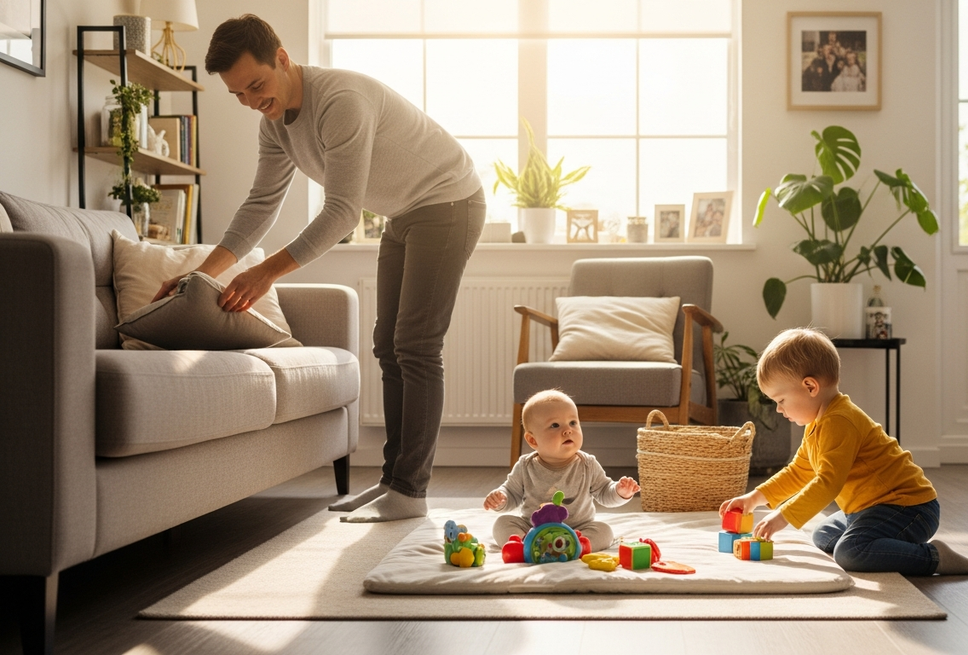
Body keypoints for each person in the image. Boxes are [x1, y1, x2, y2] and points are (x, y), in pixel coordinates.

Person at [152, 14, 486, 523]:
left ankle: (410, 492)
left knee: (416, 345)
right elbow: (260, 205)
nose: (251, 102)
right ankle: (394, 483)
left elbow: (342, 212)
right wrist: (205, 271)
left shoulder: (340, 102)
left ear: (282, 58)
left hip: (448, 203)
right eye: (238, 94)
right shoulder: (274, 124)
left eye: (257, 85)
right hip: (403, 213)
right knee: (387, 344)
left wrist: (264, 274)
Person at [719, 328, 968, 576]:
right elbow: (799, 472)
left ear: (810, 387)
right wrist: (754, 498)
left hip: (909, 508)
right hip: (868, 508)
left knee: (850, 552)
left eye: (781, 400)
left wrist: (782, 516)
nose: (778, 409)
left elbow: (827, 483)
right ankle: (881, 543)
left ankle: (933, 556)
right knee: (823, 536)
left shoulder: (839, 421)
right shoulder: (817, 424)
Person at [484, 390, 640, 549]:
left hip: (578, 529)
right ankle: (528, 544)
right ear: (532, 440)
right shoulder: (525, 466)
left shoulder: (587, 464)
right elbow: (511, 494)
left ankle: (576, 546)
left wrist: (621, 492)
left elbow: (605, 492)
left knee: (604, 531)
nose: (567, 430)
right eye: (555, 425)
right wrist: (500, 499)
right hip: (534, 530)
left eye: (573, 422)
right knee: (502, 523)